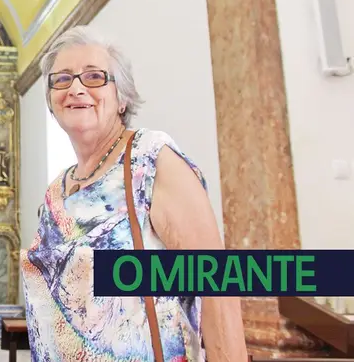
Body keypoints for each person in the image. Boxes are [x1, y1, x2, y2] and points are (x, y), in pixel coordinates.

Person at [20, 27, 246, 361]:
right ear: (52, 101)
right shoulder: (56, 190)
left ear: (122, 97)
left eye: (95, 77)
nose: (77, 88)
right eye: (63, 79)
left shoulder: (150, 158)